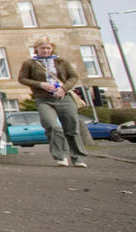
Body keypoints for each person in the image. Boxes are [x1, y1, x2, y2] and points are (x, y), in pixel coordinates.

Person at [17, 36, 89, 167]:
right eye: (42, 48)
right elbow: (22, 79)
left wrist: (64, 88)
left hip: (63, 97)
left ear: (52, 49)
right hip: (44, 99)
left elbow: (73, 77)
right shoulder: (30, 63)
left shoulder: (61, 61)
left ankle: (78, 158)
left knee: (71, 128)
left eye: (48, 48)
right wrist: (40, 84)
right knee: (51, 125)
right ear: (36, 49)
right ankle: (60, 156)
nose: (45, 51)